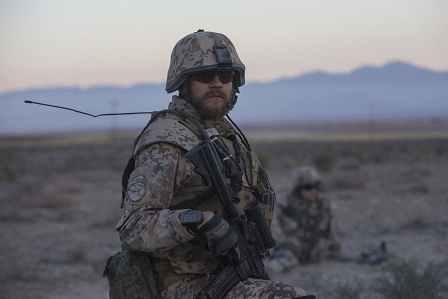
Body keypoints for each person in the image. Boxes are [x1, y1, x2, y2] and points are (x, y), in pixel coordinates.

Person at [105, 30, 314, 299]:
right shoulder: (167, 141)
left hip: (227, 276)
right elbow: (134, 227)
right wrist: (198, 220)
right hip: (177, 285)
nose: (216, 84)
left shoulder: (227, 136)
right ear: (184, 82)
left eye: (225, 76)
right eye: (205, 76)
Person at [265, 166, 341, 274]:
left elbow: (332, 233)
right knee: (276, 265)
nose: (313, 191)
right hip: (291, 246)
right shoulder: (286, 202)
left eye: (315, 187)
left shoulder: (325, 206)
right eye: (307, 187)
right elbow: (270, 221)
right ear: (298, 189)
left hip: (314, 251)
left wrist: (335, 253)